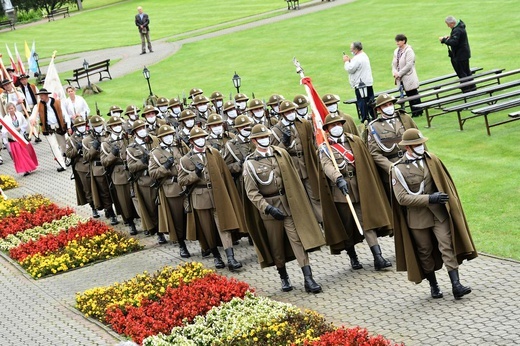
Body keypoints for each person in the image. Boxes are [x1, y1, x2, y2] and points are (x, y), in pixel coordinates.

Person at [390, 128, 477, 299]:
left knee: (447, 245)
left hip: (438, 213)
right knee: (425, 252)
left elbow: (444, 182)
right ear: (408, 148)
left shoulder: (432, 159)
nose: (422, 147)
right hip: (417, 218)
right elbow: (402, 198)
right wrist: (429, 198)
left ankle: (456, 285)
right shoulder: (397, 169)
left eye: (422, 143)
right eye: (418, 145)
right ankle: (434, 285)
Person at [243, 124, 325, 293]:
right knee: (277, 246)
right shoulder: (250, 164)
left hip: (288, 205)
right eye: (261, 137)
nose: (265, 139)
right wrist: (267, 208)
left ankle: (308, 278)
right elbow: (252, 192)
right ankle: (283, 277)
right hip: (270, 208)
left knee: (297, 240)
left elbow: (292, 178)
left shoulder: (280, 153)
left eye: (266, 135)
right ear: (254, 141)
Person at [319, 113, 393, 271]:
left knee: (366, 222)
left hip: (360, 188)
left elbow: (365, 162)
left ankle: (378, 257)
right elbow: (327, 166)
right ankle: (352, 256)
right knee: (347, 227)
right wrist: (338, 178)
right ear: (327, 129)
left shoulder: (355, 141)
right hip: (341, 191)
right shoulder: (325, 148)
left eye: (339, 124)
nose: (337, 127)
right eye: (333, 125)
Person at [178, 126, 246, 271]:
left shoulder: (214, 153)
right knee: (208, 229)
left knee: (224, 225)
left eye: (202, 137)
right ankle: (216, 256)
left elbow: (224, 173)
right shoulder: (185, 160)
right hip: (201, 198)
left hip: (217, 195)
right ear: (191, 141)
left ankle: (231, 257)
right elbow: (181, 181)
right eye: (197, 138)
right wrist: (195, 174)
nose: (201, 140)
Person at [270, 100, 323, 224]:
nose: (291, 113)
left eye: (292, 110)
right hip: (291, 167)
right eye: (287, 112)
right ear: (282, 114)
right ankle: (308, 226)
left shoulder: (304, 123)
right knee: (300, 199)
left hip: (306, 164)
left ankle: (322, 222)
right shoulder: (276, 131)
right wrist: (284, 143)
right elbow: (274, 154)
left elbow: (311, 142)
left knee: (315, 196)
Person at [149, 125, 190, 257]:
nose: (169, 138)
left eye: (171, 135)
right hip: (172, 188)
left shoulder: (178, 147)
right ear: (160, 138)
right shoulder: (155, 153)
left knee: (190, 215)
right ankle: (181, 244)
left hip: (186, 185)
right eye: (166, 136)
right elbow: (153, 173)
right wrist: (165, 167)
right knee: (177, 218)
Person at [367, 93, 418, 196]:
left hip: (411, 162)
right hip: (393, 166)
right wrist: (391, 167)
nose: (389, 107)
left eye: (390, 104)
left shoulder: (404, 119)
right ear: (378, 109)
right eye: (385, 105)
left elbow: (417, 139)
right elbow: (374, 153)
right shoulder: (374, 127)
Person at [126, 119, 164, 243]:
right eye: (139, 129)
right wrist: (142, 162)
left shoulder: (154, 141)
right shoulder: (131, 149)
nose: (142, 130)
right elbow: (131, 167)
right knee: (151, 207)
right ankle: (158, 231)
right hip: (145, 180)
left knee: (162, 206)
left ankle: (164, 228)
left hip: (159, 177)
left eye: (144, 127)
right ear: (135, 132)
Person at [101, 115, 140, 235]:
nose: (118, 127)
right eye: (115, 125)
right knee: (124, 200)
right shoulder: (106, 143)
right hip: (118, 173)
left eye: (119, 125)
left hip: (132, 171)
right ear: (111, 127)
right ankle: (130, 222)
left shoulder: (128, 138)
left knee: (137, 197)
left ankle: (141, 219)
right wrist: (112, 154)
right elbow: (104, 162)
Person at [82, 115, 119, 226]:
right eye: (96, 126)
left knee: (115, 190)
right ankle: (110, 212)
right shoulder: (87, 140)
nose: (98, 127)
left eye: (100, 125)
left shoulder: (107, 136)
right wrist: (93, 148)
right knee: (104, 192)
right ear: (92, 127)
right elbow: (86, 157)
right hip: (98, 168)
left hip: (110, 165)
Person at [65, 116, 97, 218]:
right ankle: (93, 207)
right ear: (76, 127)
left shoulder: (90, 134)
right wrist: (77, 149)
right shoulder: (71, 139)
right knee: (87, 188)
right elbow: (68, 154)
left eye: (83, 125)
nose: (82, 127)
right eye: (79, 126)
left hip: (93, 163)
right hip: (82, 165)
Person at [34, 88, 68, 172]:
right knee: (54, 146)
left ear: (46, 95)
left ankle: (65, 158)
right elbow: (35, 115)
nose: (41, 97)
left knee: (63, 144)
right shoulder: (38, 105)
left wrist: (68, 125)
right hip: (49, 129)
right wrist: (33, 120)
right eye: (40, 96)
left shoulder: (57, 102)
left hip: (59, 127)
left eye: (42, 95)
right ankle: (62, 165)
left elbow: (64, 114)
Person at [439, 16, 476, 93]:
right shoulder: (459, 27)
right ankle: (472, 87)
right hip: (464, 53)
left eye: (448, 24)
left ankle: (467, 89)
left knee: (462, 72)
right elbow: (456, 39)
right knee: (466, 71)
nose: (448, 26)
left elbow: (454, 42)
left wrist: (444, 40)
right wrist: (450, 37)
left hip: (460, 55)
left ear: (452, 23)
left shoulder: (457, 30)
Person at [1, 102, 38, 176]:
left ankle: (30, 166)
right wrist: (7, 138)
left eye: (12, 108)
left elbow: (25, 123)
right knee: (20, 155)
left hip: (22, 137)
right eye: (9, 109)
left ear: (14, 108)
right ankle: (25, 169)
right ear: (7, 110)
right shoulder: (6, 119)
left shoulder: (19, 115)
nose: (11, 110)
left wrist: (20, 128)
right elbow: (4, 130)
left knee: (27, 153)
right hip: (13, 139)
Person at [343, 41, 375, 122]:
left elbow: (350, 69)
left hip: (360, 84)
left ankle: (365, 118)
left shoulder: (357, 58)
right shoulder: (363, 55)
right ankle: (373, 116)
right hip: (367, 82)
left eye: (352, 49)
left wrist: (346, 61)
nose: (351, 51)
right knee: (370, 101)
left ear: (356, 49)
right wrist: (351, 61)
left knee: (362, 102)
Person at [392, 34, 423, 117]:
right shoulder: (396, 51)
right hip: (400, 78)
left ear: (403, 41)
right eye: (396, 41)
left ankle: (418, 111)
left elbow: (409, 64)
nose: (397, 43)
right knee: (408, 94)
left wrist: (399, 73)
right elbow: (394, 63)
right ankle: (415, 111)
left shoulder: (409, 50)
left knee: (413, 93)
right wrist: (394, 72)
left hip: (409, 76)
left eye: (398, 41)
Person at [18, 74, 42, 143]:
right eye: (22, 80)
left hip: (34, 106)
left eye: (25, 79)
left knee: (35, 121)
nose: (24, 80)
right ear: (20, 81)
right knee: (29, 121)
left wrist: (38, 104)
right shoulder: (19, 89)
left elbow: (38, 95)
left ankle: (37, 135)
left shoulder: (33, 86)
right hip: (26, 108)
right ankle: (31, 134)